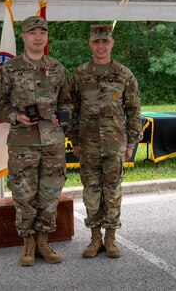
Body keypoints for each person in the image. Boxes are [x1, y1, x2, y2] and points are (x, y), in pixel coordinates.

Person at [0, 16, 72, 267]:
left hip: (52, 143)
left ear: (46, 37)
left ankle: (44, 241)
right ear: (23, 37)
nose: (38, 37)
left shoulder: (57, 68)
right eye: (32, 33)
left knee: (50, 194)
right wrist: (15, 116)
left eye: (42, 33)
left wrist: (63, 117)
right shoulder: (10, 69)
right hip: (22, 143)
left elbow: (68, 101)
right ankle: (27, 243)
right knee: (24, 195)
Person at [66, 24, 142, 259]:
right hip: (87, 144)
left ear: (111, 44)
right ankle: (94, 238)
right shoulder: (79, 74)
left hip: (115, 143)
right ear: (90, 44)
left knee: (112, 191)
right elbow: (72, 109)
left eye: (105, 42)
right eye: (96, 42)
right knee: (91, 190)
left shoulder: (124, 74)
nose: (101, 46)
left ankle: (110, 238)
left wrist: (131, 143)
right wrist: (73, 140)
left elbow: (134, 110)